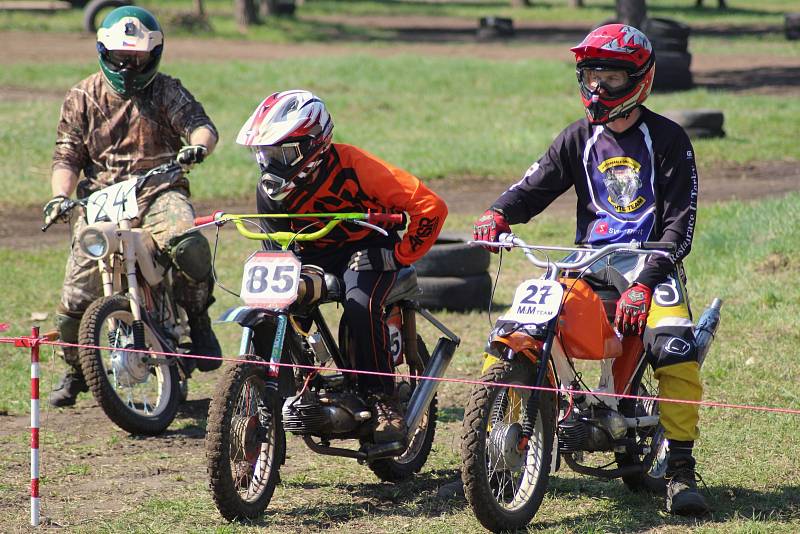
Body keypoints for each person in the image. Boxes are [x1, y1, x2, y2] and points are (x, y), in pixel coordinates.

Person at [472, 24, 708, 516]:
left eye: (611, 76)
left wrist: (645, 283)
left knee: (676, 352)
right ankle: (480, 456)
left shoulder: (668, 138)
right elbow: (533, 187)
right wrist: (498, 213)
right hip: (587, 263)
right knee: (522, 328)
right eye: (591, 74)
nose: (598, 87)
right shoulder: (578, 137)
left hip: (651, 265)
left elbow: (679, 229)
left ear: (639, 79)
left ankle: (682, 473)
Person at [237, 90, 448, 443]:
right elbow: (277, 244)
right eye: (264, 154)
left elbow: (430, 206)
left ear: (313, 145)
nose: (270, 165)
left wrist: (398, 255)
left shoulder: (357, 166)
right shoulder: (270, 190)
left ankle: (382, 399)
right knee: (278, 304)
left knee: (360, 305)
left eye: (281, 153)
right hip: (313, 252)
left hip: (366, 248)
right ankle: (296, 385)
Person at [44, 6, 222, 408]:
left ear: (154, 55)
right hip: (101, 198)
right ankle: (75, 369)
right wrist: (60, 195)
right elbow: (67, 157)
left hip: (159, 189)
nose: (129, 66)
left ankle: (199, 321)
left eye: (139, 58)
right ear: (103, 52)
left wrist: (197, 146)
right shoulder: (82, 96)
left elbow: (201, 126)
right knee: (76, 295)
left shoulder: (166, 90)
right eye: (121, 58)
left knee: (187, 244)